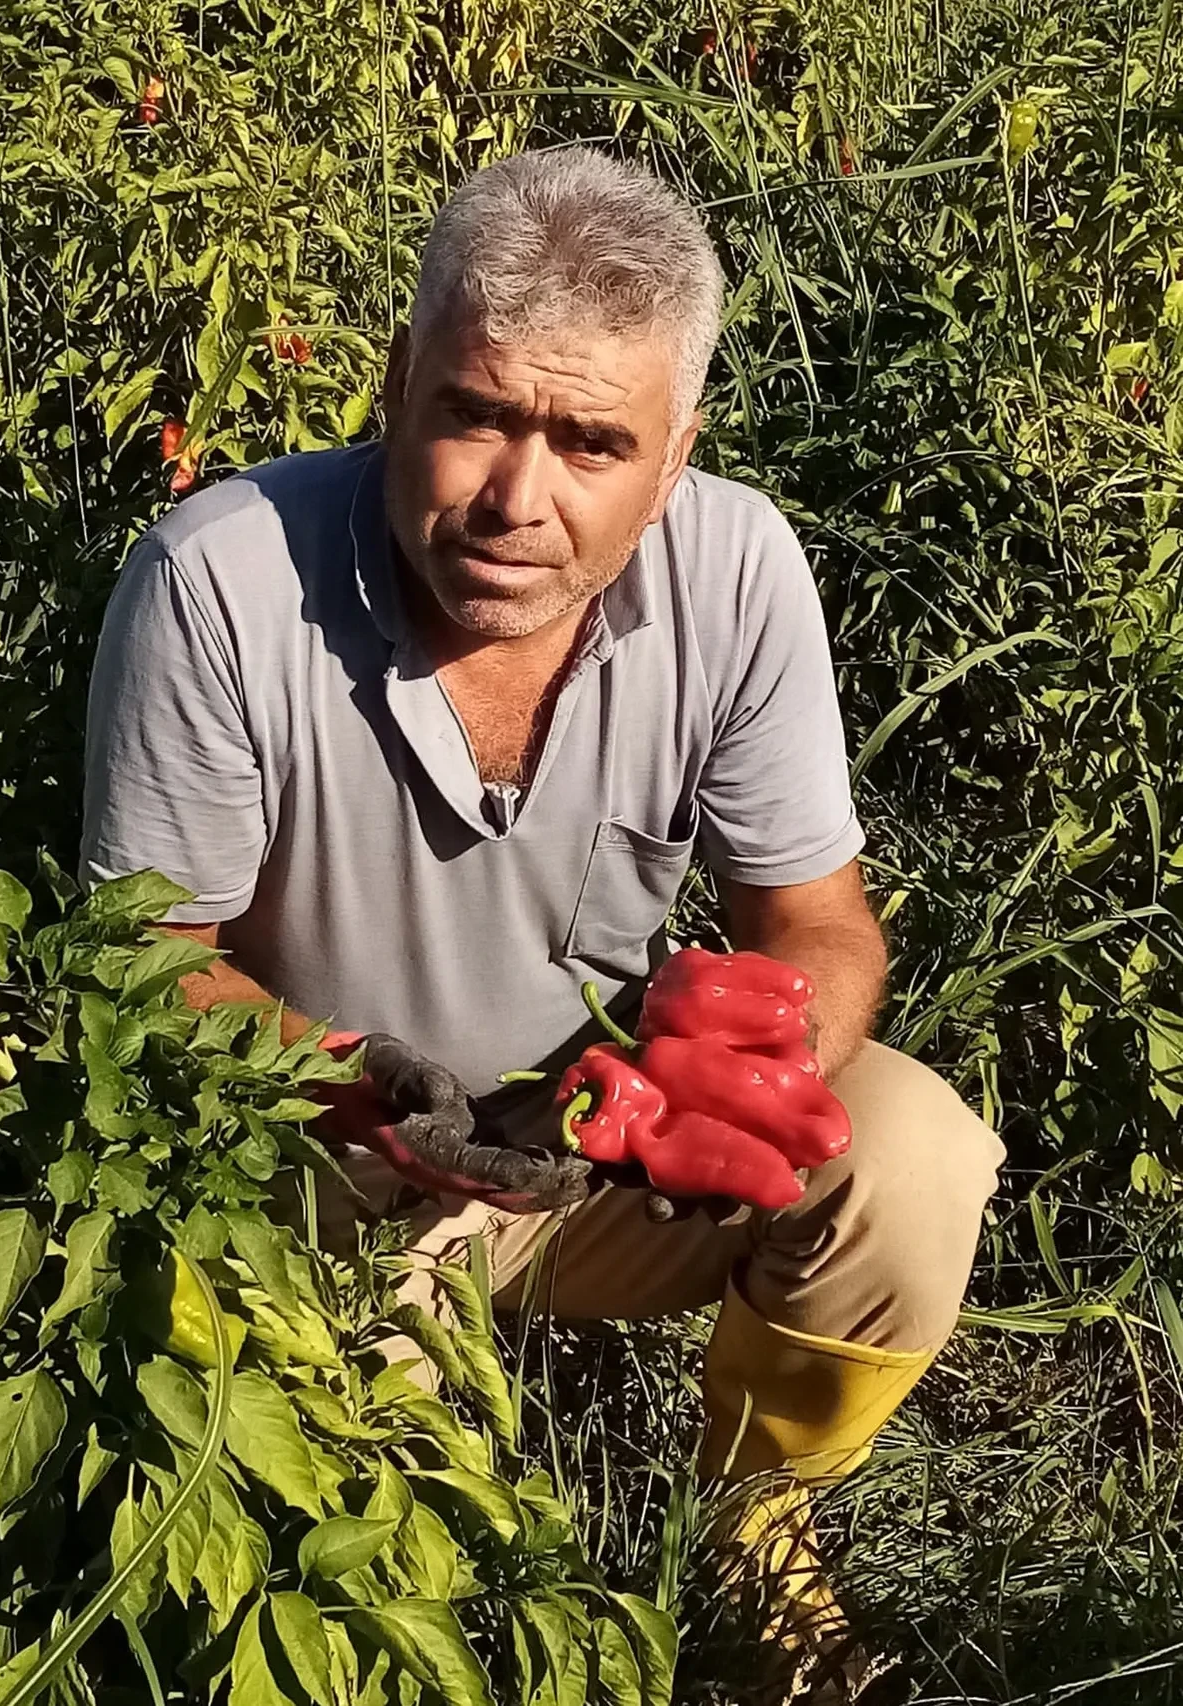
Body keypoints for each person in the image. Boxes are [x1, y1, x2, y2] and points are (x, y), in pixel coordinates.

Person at [81, 146, 1004, 1691]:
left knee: (910, 1155)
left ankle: (755, 1526)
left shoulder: (738, 567)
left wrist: (746, 1071)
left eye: (591, 441)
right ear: (397, 382)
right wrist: (366, 1084)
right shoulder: (221, 582)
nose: (520, 498)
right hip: (311, 1165)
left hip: (596, 1151)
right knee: (368, 1551)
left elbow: (821, 923)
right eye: (477, 415)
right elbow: (142, 969)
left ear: (676, 451)